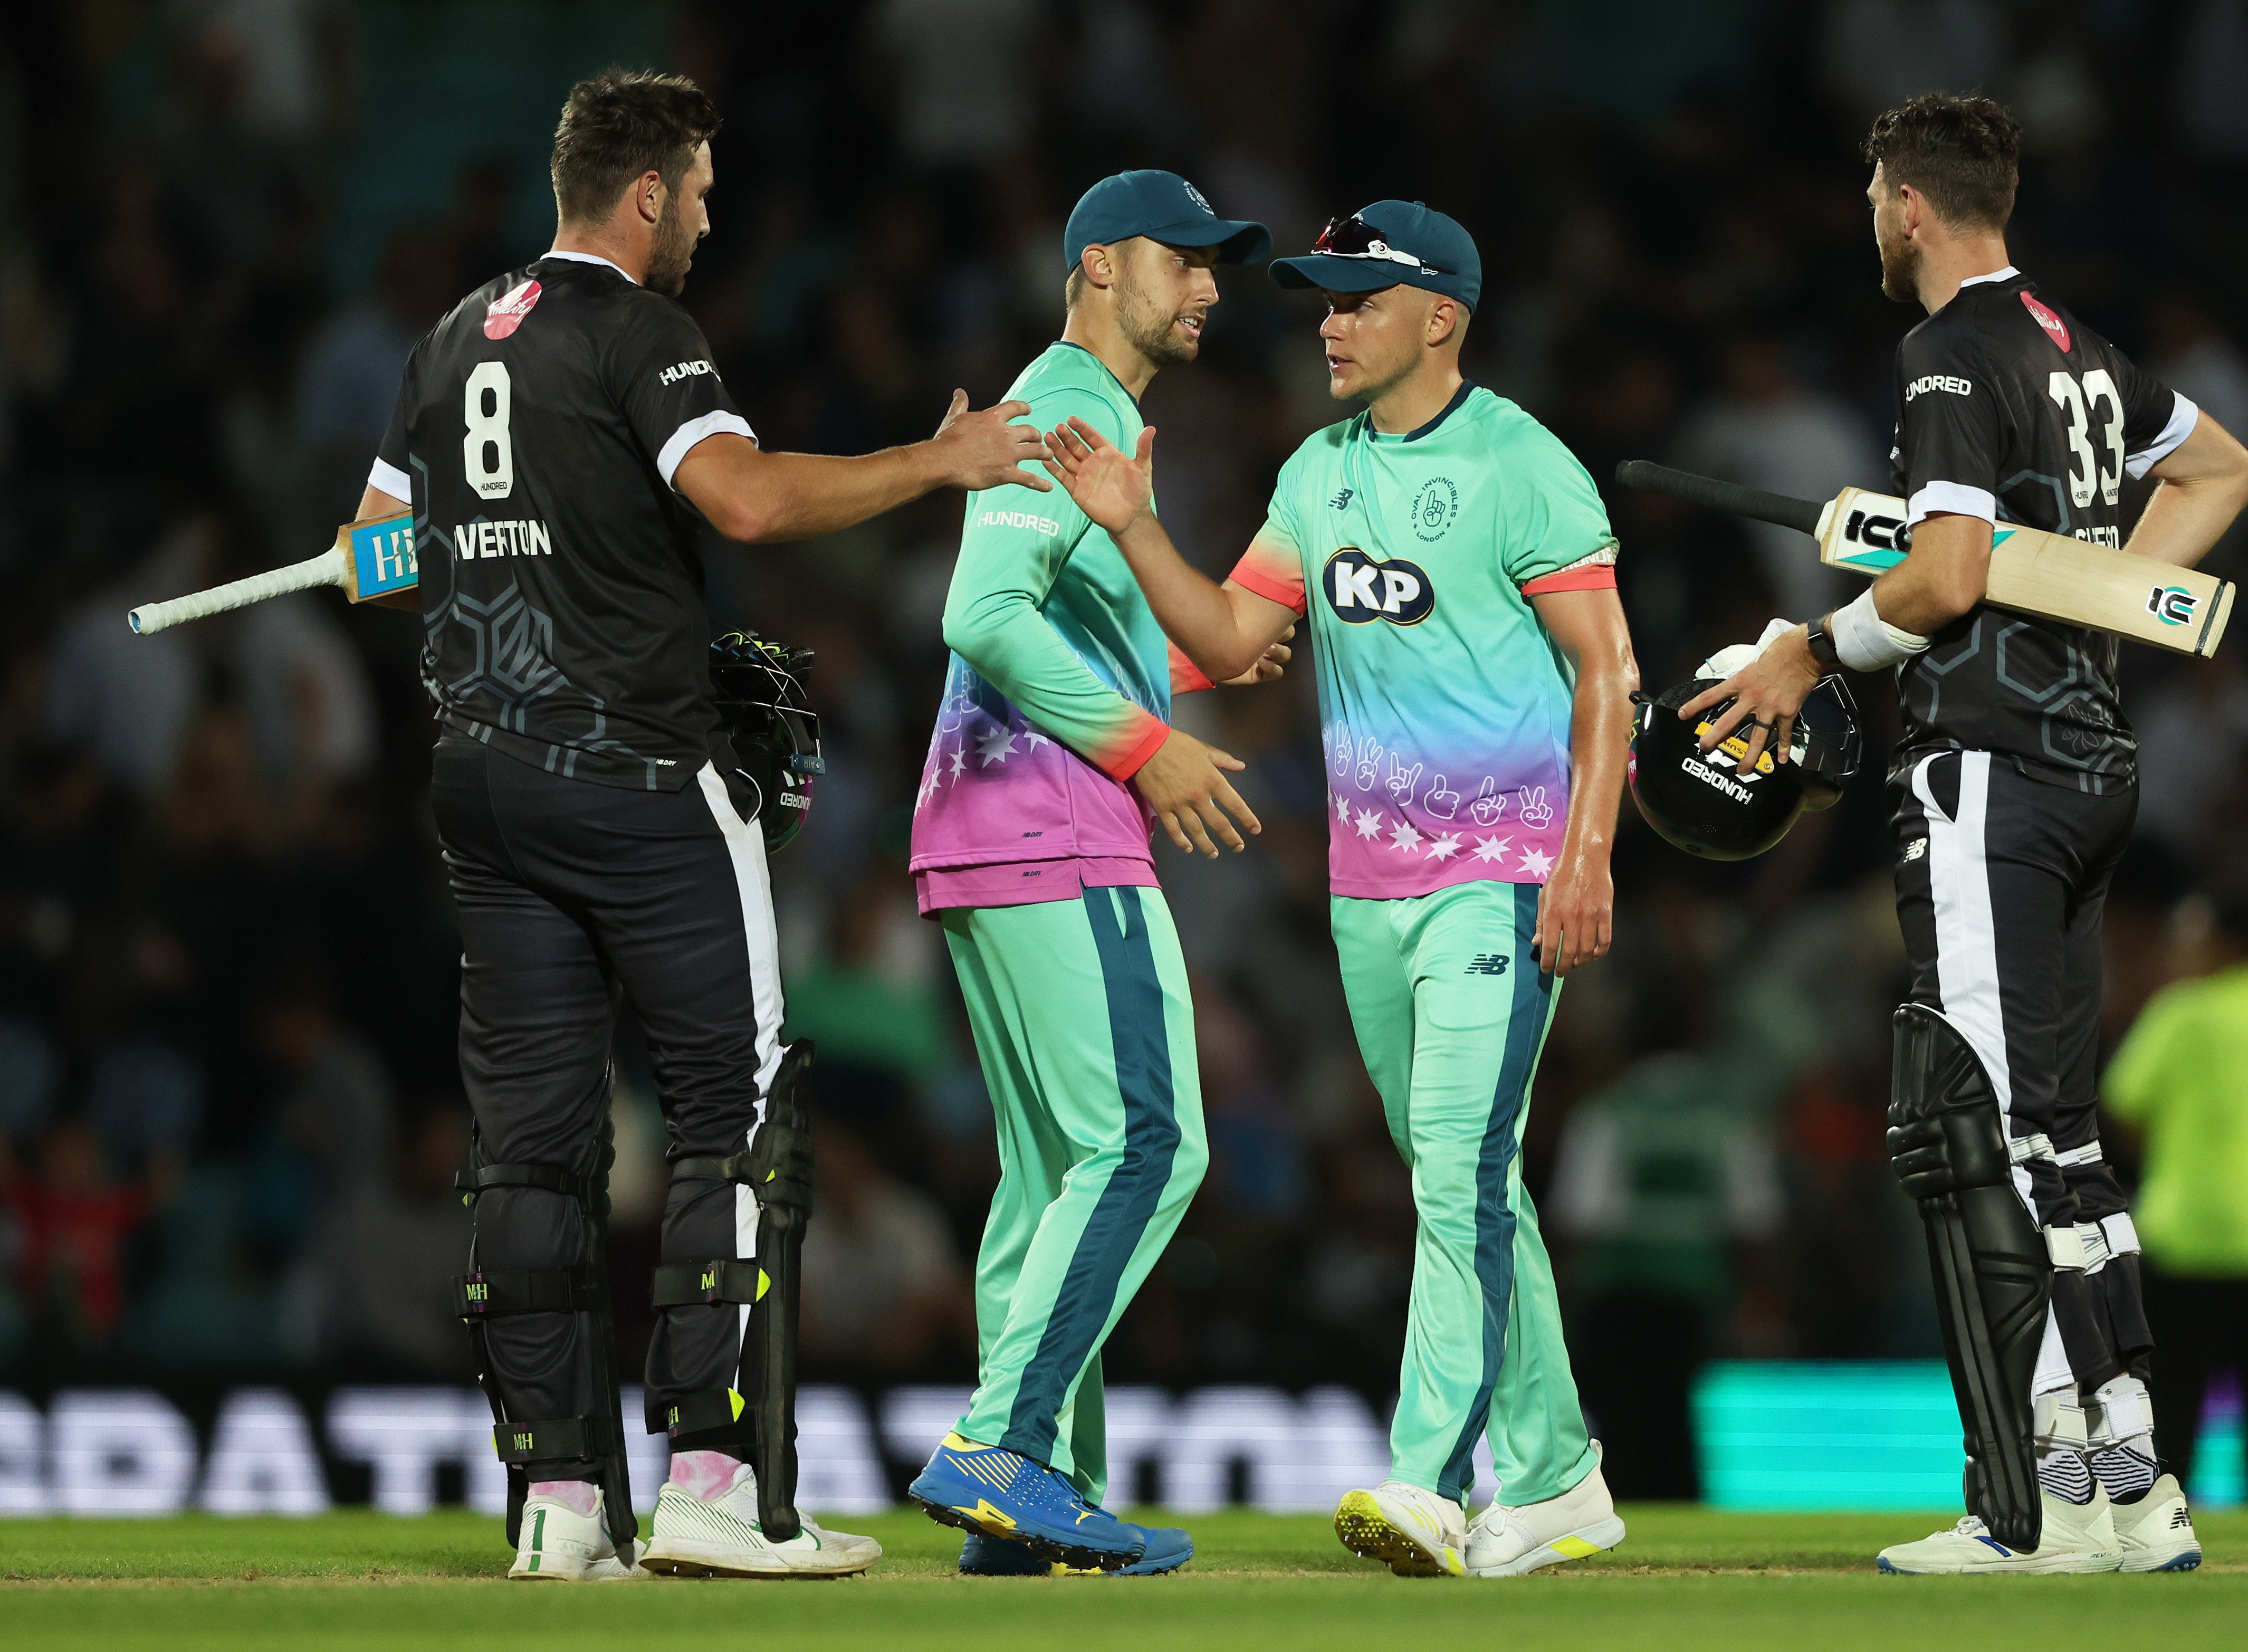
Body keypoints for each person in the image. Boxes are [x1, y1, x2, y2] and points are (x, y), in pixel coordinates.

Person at [360, 68, 1047, 1581]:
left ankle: (555, 1504)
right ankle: (715, 1481)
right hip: (634, 778)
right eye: (705, 191)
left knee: (533, 1151)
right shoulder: (639, 331)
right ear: (649, 192)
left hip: (480, 786)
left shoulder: (443, 341)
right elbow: (740, 501)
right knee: (734, 1115)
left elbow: (371, 551)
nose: (713, 217)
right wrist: (943, 460)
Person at [1691, 93, 2248, 1574]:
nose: (1868, 218)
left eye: (1871, 195)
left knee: (1984, 1138)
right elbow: (2221, 475)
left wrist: (1801, 654)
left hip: (1993, 775)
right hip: (2091, 765)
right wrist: (2094, 595)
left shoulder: (1947, 353)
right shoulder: (2074, 349)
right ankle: (2130, 1491)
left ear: (1907, 208)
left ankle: (2036, 1509)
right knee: (2062, 1137)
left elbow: (1942, 578)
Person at [1040, 200, 1639, 1578]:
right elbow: (1232, 638)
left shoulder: (1522, 465)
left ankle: (1429, 1478)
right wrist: (1133, 528)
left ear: (1442, 316)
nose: (1328, 319)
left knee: (1454, 1171)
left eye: (1359, 297)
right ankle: (1559, 1476)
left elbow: (1608, 669)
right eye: (1323, 297)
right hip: (1366, 892)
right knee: (1465, 1178)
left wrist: (1585, 853)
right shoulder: (1315, 473)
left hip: (1497, 879)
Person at [900, 170, 1281, 1579]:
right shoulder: (1078, 403)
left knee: (1052, 1172)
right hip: (1056, 829)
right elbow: (980, 613)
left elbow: (1040, 612)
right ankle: (1003, 1447)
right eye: (1185, 264)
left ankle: (1030, 1492)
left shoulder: (1076, 409)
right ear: (1103, 261)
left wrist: (1173, 664)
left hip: (983, 828)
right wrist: (1150, 745)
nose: (1209, 292)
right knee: (1147, 1141)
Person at [2104, 893, 2248, 1503]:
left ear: (2228, 945)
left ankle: (2161, 1520)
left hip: (2196, 1232)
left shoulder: (2185, 1013)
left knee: (2177, 1402)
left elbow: (2125, 1102)